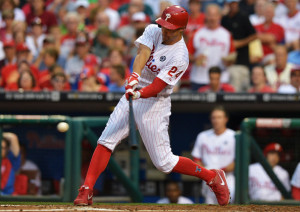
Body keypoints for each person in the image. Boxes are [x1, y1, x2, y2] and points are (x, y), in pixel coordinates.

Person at [74, 5, 230, 206]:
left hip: (155, 103)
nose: (164, 30)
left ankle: (211, 177)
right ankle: (86, 190)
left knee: (164, 163)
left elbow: (158, 86)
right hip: (134, 93)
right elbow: (142, 53)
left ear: (181, 30)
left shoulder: (180, 56)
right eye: (163, 25)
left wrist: (137, 92)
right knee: (106, 141)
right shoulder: (153, 30)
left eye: (169, 28)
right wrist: (134, 77)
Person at [191, 106, 235, 204]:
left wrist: (219, 174)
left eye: (219, 117)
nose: (216, 120)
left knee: (229, 204)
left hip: (227, 178)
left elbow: (237, 161)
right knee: (210, 205)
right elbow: (196, 158)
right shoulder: (203, 136)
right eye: (214, 117)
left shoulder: (234, 136)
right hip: (208, 178)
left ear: (225, 119)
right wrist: (206, 173)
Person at [188, 4, 235, 90]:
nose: (212, 18)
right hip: (199, 79)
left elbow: (232, 55)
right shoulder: (197, 33)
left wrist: (229, 61)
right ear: (205, 16)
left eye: (215, 15)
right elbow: (187, 55)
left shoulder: (226, 34)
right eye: (210, 15)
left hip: (221, 79)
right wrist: (195, 59)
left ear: (219, 16)